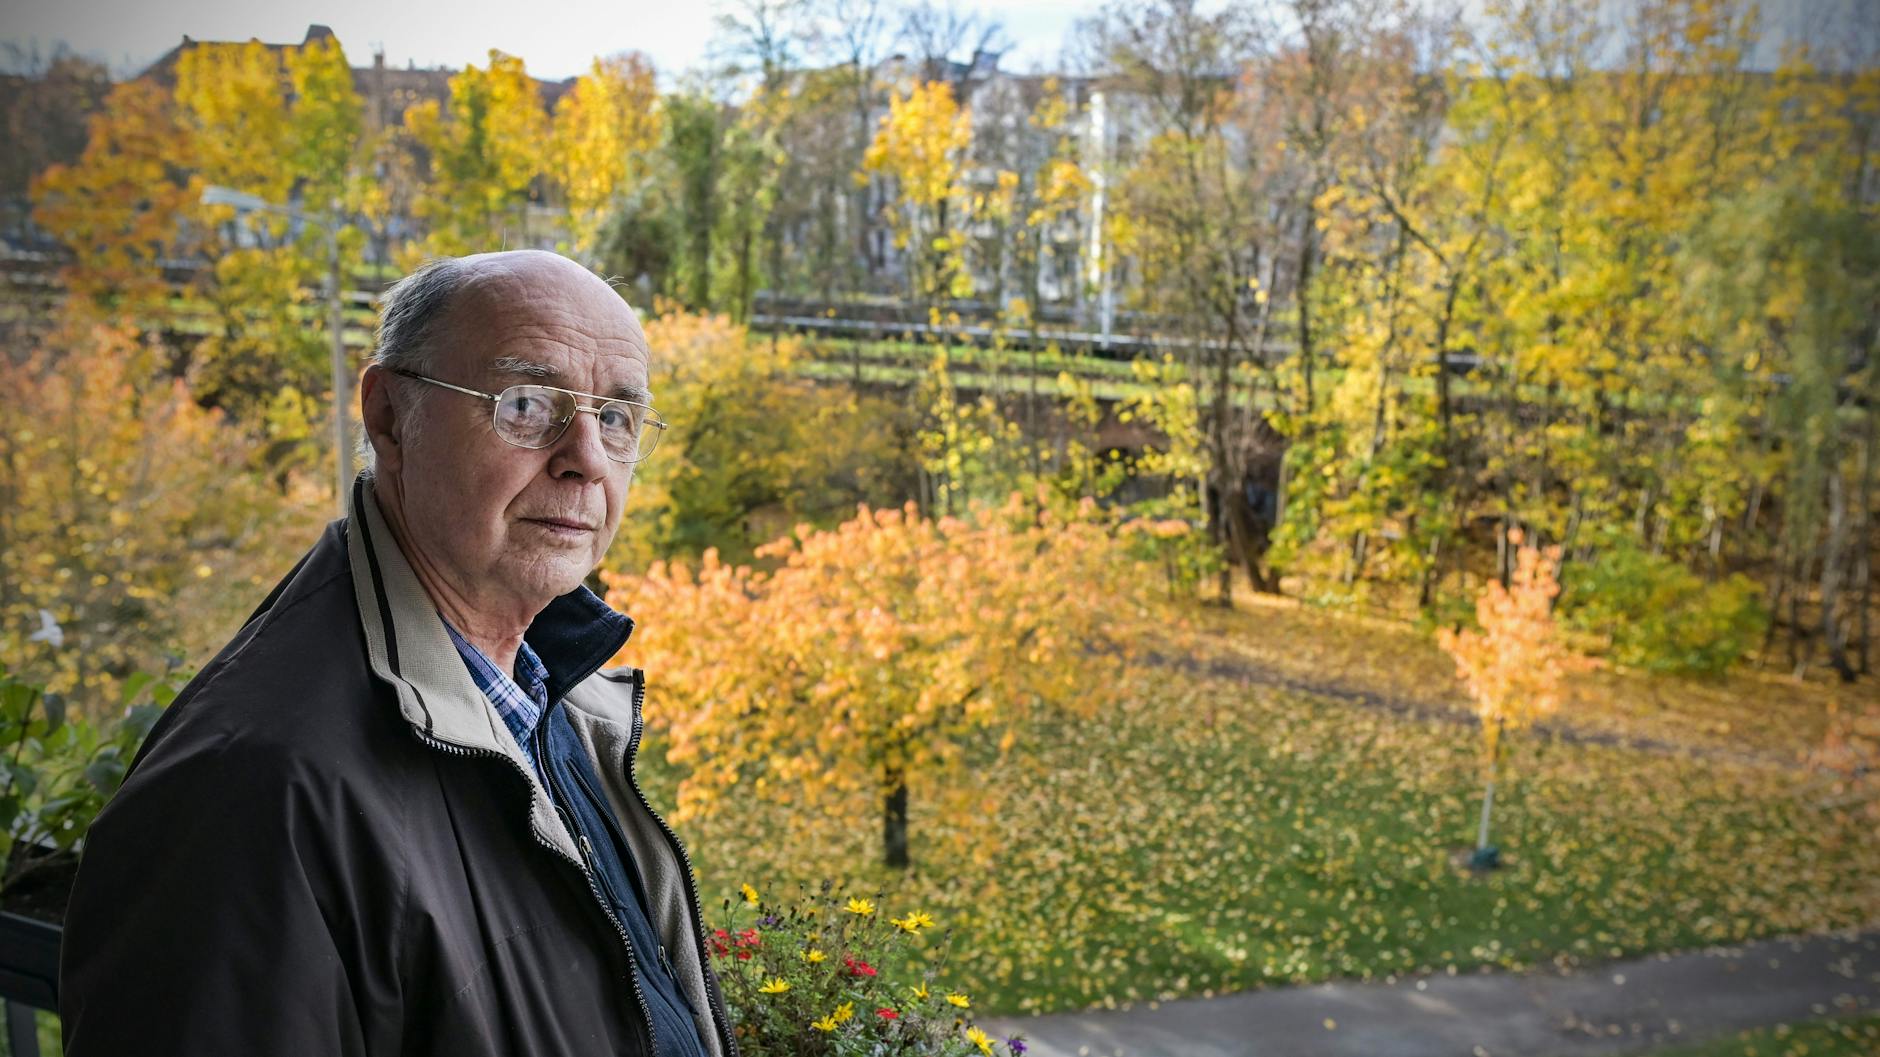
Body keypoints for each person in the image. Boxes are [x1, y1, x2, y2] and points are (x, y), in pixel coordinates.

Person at [59, 250, 736, 1057]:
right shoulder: (254, 789)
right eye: (526, 404)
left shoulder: (540, 693)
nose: (586, 458)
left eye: (616, 418)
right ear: (388, 416)